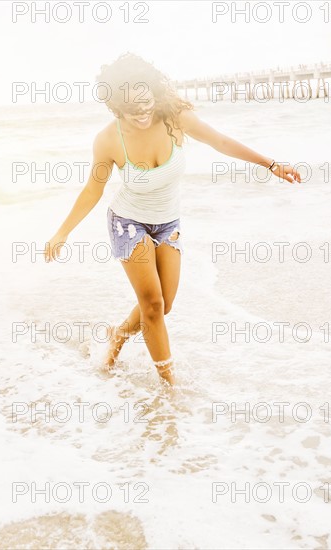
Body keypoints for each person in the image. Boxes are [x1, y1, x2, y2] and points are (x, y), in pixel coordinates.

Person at [43, 53, 301, 387]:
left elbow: (220, 141)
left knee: (164, 306)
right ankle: (169, 389)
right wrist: (62, 233)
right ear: (117, 107)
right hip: (127, 223)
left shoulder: (175, 118)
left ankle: (117, 335)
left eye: (147, 105)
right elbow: (93, 189)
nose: (143, 114)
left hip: (167, 224)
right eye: (133, 110)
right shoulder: (108, 140)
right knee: (151, 306)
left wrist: (271, 164)